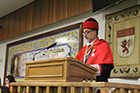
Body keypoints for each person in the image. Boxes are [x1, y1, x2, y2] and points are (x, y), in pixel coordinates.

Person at [75, 18, 114, 82]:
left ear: (95, 32)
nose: (85, 35)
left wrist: (89, 69)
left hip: (98, 83)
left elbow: (107, 67)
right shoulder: (84, 49)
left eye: (87, 32)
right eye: (83, 33)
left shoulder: (103, 46)